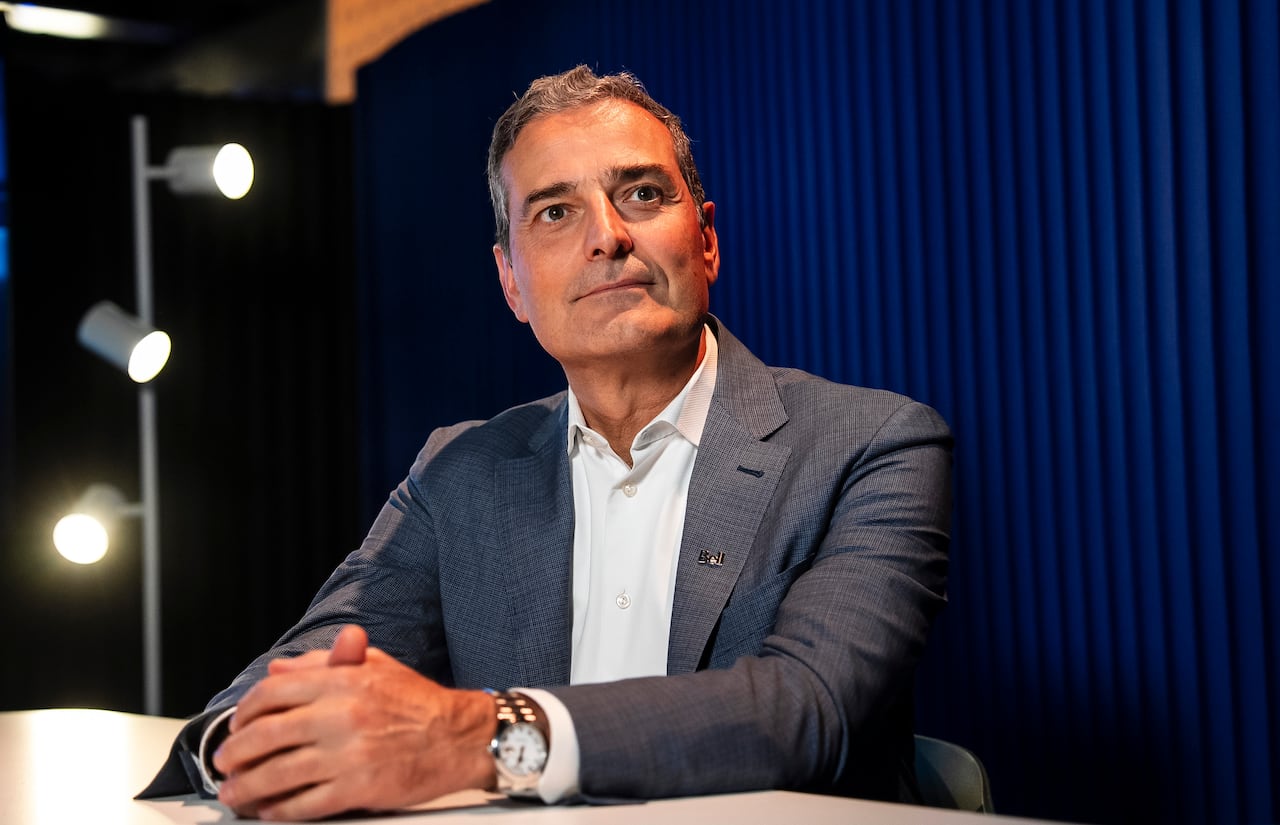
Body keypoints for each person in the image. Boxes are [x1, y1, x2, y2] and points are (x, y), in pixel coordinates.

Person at [140, 64, 953, 821]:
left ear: (705, 241)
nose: (607, 237)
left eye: (640, 193)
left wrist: (483, 735)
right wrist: (244, 745)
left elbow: (806, 710)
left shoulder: (872, 444)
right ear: (511, 283)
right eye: (556, 212)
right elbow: (301, 669)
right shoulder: (458, 471)